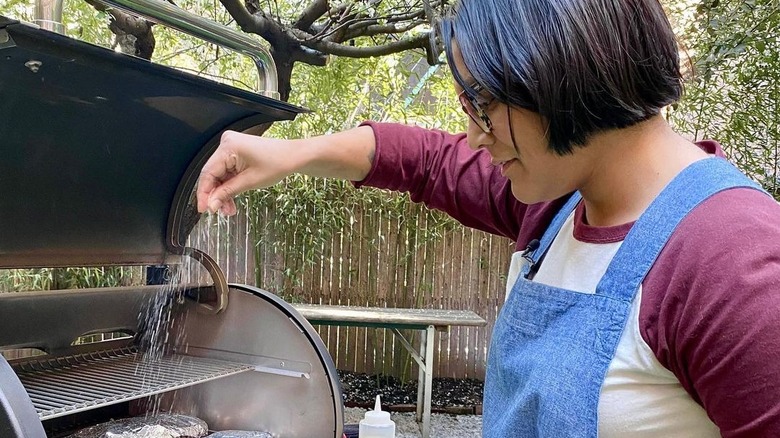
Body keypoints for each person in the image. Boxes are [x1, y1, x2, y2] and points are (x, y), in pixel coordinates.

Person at [196, 0, 780, 436]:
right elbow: (422, 161)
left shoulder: (733, 263)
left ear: (559, 70)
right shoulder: (557, 201)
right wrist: (290, 154)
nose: (473, 136)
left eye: (482, 102)